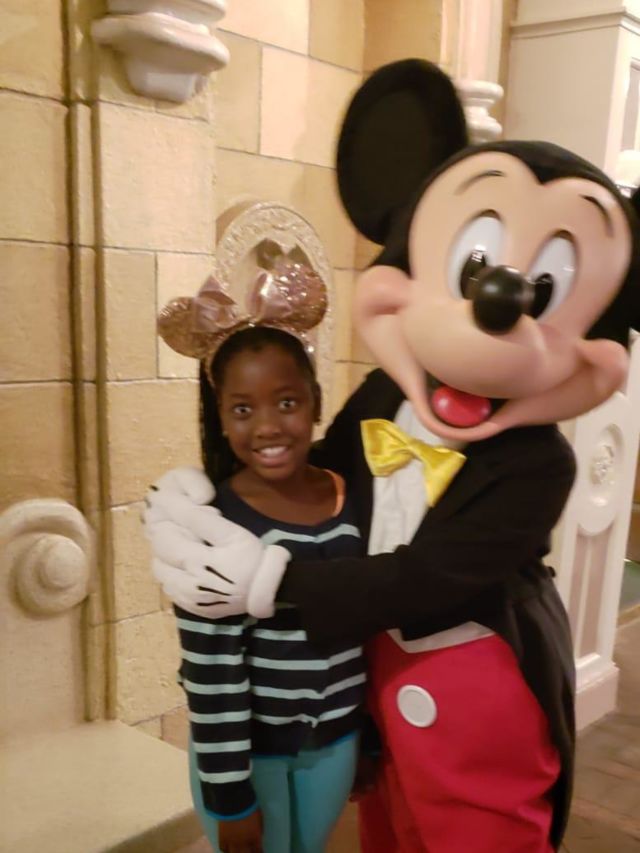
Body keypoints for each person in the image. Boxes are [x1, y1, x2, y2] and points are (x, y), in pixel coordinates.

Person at [144, 61, 640, 852]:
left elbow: (423, 578)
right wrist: (208, 499)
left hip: (481, 675)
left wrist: (267, 579)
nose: (497, 301)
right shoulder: (383, 394)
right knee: (390, 827)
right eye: (473, 269)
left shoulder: (539, 465)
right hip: (370, 678)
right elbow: (321, 477)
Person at [153, 265, 370, 853]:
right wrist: (230, 797)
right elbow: (212, 672)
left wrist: (365, 735)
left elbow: (366, 626)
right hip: (250, 759)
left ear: (316, 402)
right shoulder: (212, 525)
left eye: (287, 401)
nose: (269, 426)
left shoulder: (350, 499)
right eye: (243, 409)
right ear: (221, 419)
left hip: (336, 743)